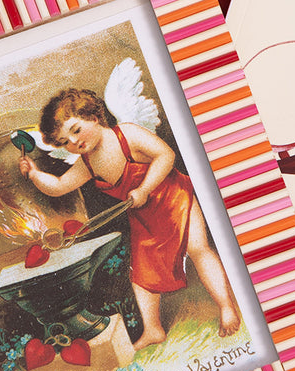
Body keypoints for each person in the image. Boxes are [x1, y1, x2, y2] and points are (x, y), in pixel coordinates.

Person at [18, 88, 241, 347]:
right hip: (143, 214)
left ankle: (227, 307)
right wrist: (34, 175)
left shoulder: (127, 134)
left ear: (94, 116)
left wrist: (145, 188)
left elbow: (166, 155)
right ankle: (153, 330)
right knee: (142, 275)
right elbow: (59, 185)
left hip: (173, 197)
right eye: (65, 141)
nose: (74, 142)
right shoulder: (87, 162)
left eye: (76, 130)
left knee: (198, 248)